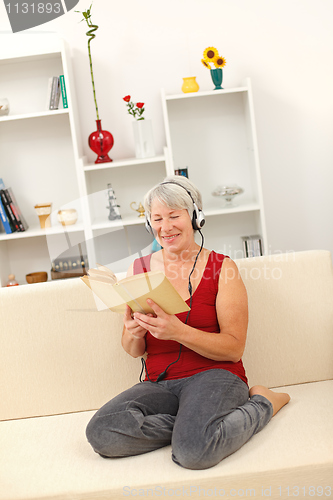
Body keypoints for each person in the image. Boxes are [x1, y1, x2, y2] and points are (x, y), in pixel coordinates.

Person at [86, 175, 290, 470]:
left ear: (195, 217)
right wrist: (133, 332)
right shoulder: (139, 269)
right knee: (101, 432)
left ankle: (264, 403)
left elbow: (233, 349)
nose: (165, 227)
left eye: (173, 216)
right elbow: (133, 350)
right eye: (156, 218)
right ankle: (193, 426)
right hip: (161, 383)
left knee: (193, 452)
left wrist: (178, 331)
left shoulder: (223, 268)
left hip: (215, 375)